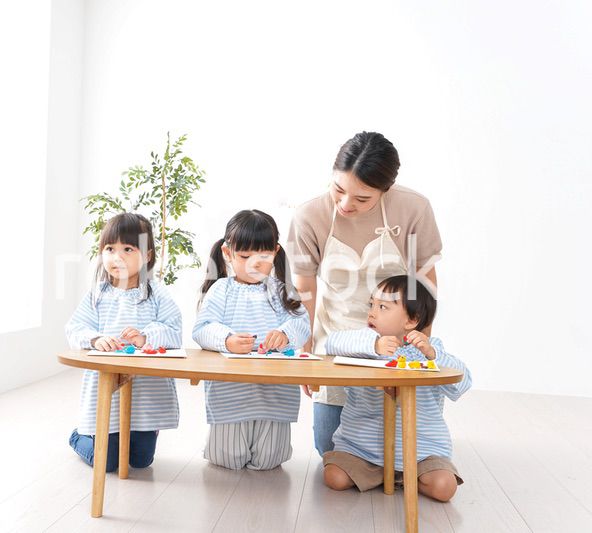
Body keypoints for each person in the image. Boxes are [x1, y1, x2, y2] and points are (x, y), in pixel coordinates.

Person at [287, 131, 443, 456]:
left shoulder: (413, 209)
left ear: (385, 190)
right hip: (336, 342)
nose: (345, 204)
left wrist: (418, 352)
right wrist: (304, 354)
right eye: (339, 189)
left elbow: (425, 282)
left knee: (402, 450)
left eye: (362, 199)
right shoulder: (309, 216)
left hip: (395, 348)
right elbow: (305, 287)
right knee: (329, 450)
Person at [323, 275, 471, 502]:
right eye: (371, 304)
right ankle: (383, 475)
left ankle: (405, 475)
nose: (372, 312)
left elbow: (462, 383)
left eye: (383, 307)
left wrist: (433, 355)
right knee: (335, 477)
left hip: (420, 453)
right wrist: (374, 345)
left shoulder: (431, 351)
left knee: (444, 487)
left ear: (411, 320)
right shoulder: (362, 343)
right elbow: (332, 343)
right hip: (364, 451)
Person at [192, 209, 310, 470]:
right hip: (231, 391)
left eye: (264, 256)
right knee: (228, 458)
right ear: (227, 253)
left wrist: (285, 335)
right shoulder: (221, 289)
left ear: (275, 252)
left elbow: (302, 323)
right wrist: (227, 339)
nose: (255, 264)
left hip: (274, 391)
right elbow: (202, 328)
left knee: (270, 460)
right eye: (245, 257)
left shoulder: (281, 291)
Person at [65, 212, 182, 472]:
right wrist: (95, 338)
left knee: (140, 462)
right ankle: (78, 436)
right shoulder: (97, 295)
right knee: (107, 463)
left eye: (128, 249)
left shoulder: (157, 293)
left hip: (145, 393)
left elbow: (174, 331)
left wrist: (147, 337)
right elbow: (74, 329)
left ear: (147, 255)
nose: (117, 257)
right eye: (110, 249)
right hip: (107, 389)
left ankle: (144, 434)